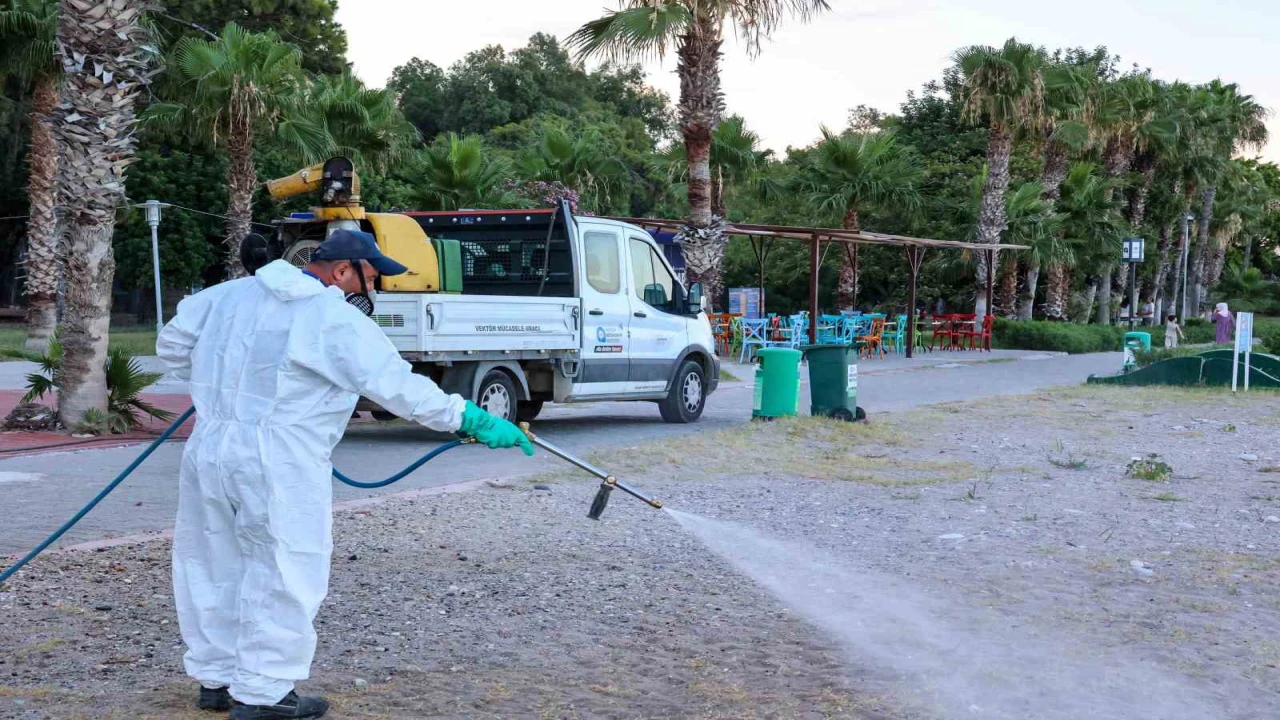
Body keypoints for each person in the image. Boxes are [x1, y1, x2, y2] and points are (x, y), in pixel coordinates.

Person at [157, 229, 534, 719]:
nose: (370, 291)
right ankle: (264, 695)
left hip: (210, 445)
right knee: (286, 567)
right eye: (369, 279)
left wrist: (231, 379)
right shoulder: (331, 315)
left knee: (211, 559)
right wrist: (471, 418)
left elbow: (171, 348)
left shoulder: (222, 296)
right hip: (281, 454)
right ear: (341, 270)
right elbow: (398, 388)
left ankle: (218, 679)